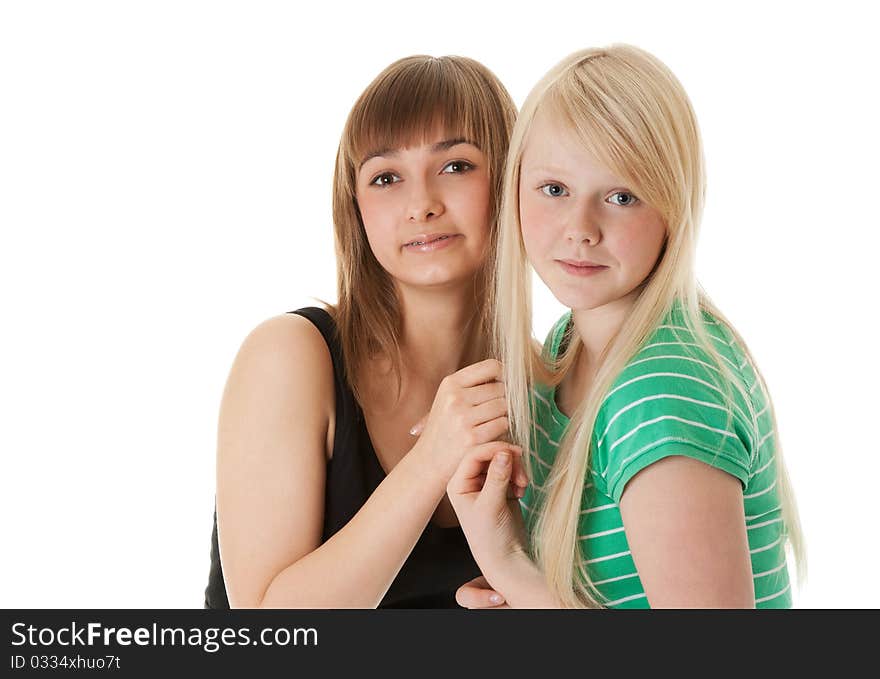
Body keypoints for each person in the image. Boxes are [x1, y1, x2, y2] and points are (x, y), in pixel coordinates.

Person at [446, 44, 806, 609]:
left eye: (621, 196)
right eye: (555, 189)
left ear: (674, 208)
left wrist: (508, 566)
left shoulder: (660, 392)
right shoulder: (571, 342)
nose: (581, 228)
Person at [204, 54, 524, 608]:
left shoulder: (548, 390)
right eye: (386, 178)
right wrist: (432, 460)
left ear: (515, 177)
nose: (421, 204)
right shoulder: (291, 357)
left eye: (455, 166)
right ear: (357, 211)